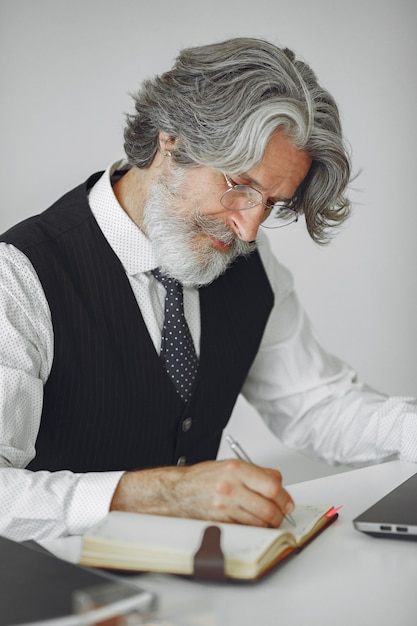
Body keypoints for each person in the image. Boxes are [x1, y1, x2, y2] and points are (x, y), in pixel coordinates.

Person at [0, 37, 416, 543]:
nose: (247, 230)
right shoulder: (20, 276)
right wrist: (159, 493)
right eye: (240, 186)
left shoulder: (246, 258)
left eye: (270, 204)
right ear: (171, 139)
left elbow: (315, 405)